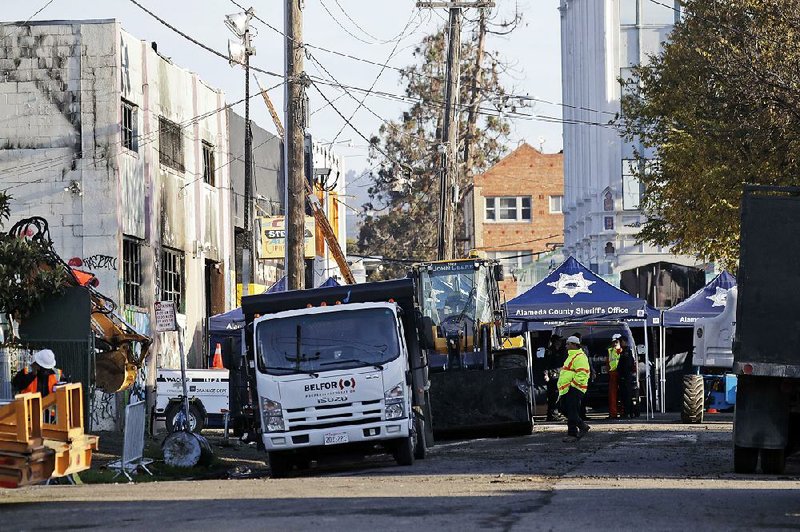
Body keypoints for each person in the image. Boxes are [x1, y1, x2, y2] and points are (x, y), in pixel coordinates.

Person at [557, 336, 591, 442]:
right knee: (563, 408)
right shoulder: (571, 356)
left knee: (572, 411)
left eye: (568, 344)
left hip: (575, 388)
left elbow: (582, 373)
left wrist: (573, 385)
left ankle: (573, 434)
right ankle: (582, 426)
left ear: (574, 345)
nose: (566, 346)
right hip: (568, 388)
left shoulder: (580, 357)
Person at [543, 335, 566, 422]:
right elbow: (546, 364)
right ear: (555, 341)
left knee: (557, 396)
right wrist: (546, 375)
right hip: (553, 376)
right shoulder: (550, 351)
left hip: (559, 375)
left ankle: (554, 414)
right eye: (558, 340)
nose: (560, 342)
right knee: (553, 396)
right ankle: (552, 415)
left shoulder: (559, 351)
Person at [616, 336, 636, 419]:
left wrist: (623, 376)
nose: (620, 344)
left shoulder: (626, 352)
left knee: (626, 395)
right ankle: (629, 412)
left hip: (625, 377)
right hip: (624, 377)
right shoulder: (624, 352)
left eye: (621, 342)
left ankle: (628, 412)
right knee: (626, 395)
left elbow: (627, 366)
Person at [607, 333, 622, 419]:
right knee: (612, 395)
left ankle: (623, 412)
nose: (614, 343)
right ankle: (613, 413)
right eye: (614, 342)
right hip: (613, 373)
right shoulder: (610, 351)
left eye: (616, 341)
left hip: (621, 373)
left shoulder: (622, 350)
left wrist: (619, 346)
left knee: (623, 394)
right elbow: (608, 362)